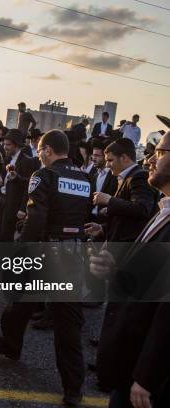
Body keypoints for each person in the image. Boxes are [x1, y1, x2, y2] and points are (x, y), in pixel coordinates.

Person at [0, 130, 91, 407]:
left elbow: (37, 215)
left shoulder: (43, 175)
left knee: (21, 299)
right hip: (73, 252)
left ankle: (11, 344)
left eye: (40, 151)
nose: (39, 155)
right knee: (66, 323)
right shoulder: (84, 178)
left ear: (46, 151)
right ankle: (73, 388)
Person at [90, 122, 170, 408]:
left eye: (159, 153)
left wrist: (147, 376)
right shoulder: (164, 211)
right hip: (129, 364)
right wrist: (117, 271)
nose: (148, 159)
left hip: (145, 383)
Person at [85, 139, 156, 243]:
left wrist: (109, 200)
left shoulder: (139, 176)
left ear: (124, 158)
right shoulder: (125, 177)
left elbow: (142, 209)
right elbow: (125, 218)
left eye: (110, 160)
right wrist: (103, 228)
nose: (107, 165)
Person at [0, 129, 36, 242]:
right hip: (2, 200)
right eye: (4, 144)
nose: (5, 147)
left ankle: (4, 258)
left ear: (17, 145)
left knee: (6, 235)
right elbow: (3, 174)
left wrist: (23, 208)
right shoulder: (8, 158)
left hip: (14, 204)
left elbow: (28, 185)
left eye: (8, 145)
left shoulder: (27, 161)